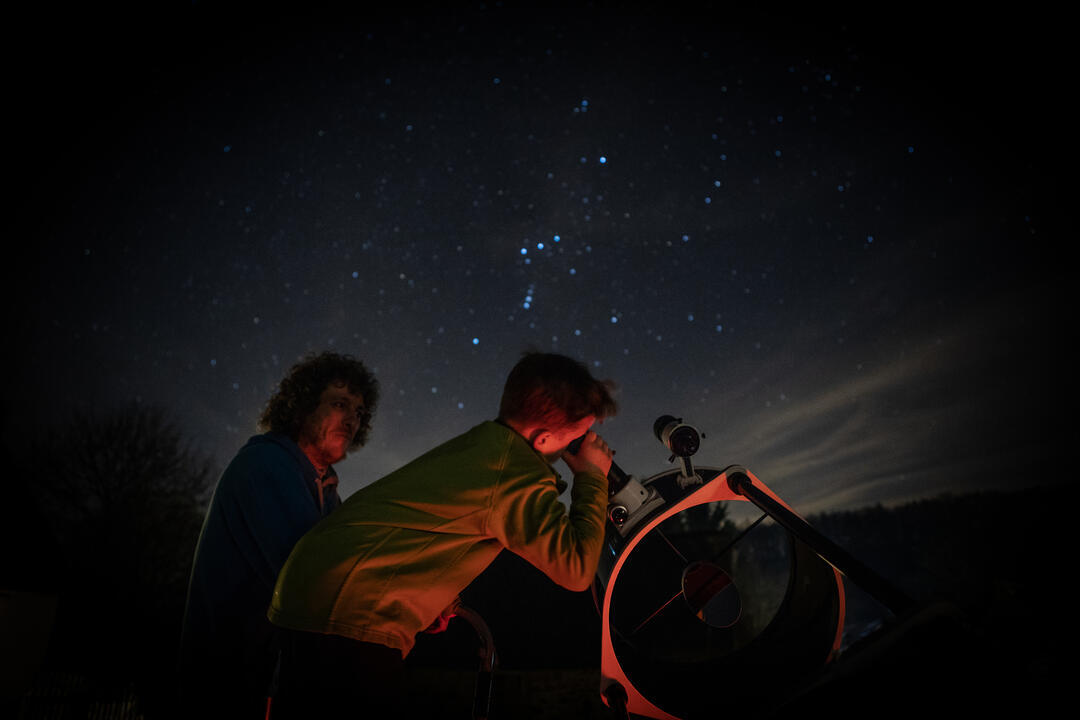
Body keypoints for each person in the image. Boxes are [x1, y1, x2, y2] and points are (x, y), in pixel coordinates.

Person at [266, 351, 617, 718]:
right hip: (350, 612)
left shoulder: (484, 450)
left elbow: (421, 531)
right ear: (543, 440)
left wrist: (430, 597)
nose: (579, 447)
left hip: (317, 591)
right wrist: (592, 477)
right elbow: (576, 569)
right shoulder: (515, 473)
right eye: (575, 439)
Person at [178, 351, 379, 718]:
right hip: (221, 684)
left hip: (258, 681)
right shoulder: (265, 465)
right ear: (302, 406)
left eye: (359, 412)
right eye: (340, 403)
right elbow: (315, 575)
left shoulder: (325, 488)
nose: (352, 419)